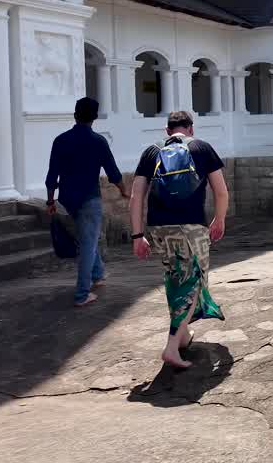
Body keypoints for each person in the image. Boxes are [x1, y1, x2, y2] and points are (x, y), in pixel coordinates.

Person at [129, 110, 229, 369]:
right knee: (192, 282)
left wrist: (138, 235)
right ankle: (172, 347)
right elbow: (221, 191)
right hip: (191, 226)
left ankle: (182, 335)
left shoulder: (152, 152)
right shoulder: (202, 148)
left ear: (167, 130)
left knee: (175, 278)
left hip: (159, 228)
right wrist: (219, 219)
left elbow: (136, 197)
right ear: (190, 129)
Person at [45, 97, 128, 308]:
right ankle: (82, 293)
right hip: (89, 198)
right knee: (88, 243)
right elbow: (113, 172)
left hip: (67, 199)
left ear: (75, 115)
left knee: (87, 238)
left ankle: (98, 273)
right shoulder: (98, 141)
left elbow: (52, 174)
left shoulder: (60, 140)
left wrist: (49, 200)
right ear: (94, 118)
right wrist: (124, 190)